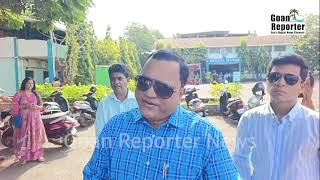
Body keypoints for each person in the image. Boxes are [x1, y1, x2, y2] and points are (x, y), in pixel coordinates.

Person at [83, 50, 240, 179]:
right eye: (144, 83)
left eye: (162, 88)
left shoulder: (207, 137)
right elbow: (93, 175)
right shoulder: (114, 128)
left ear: (181, 94)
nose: (149, 93)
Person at [234, 54, 319, 180]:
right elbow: (240, 158)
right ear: (267, 81)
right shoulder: (249, 119)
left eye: (290, 79)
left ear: (302, 85)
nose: (280, 83)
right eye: (275, 77)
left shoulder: (315, 123)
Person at [95, 64, 138, 137]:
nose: (116, 82)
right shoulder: (104, 104)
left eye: (119, 78)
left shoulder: (138, 101)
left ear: (127, 80)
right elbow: (100, 131)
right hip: (111, 146)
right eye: (113, 79)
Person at [12, 77, 48, 165]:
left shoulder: (35, 94)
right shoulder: (19, 94)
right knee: (25, 136)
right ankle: (24, 157)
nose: (30, 85)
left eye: (32, 83)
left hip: (35, 119)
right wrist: (25, 106)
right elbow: (14, 106)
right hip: (24, 119)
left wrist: (38, 107)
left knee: (36, 137)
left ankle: (38, 155)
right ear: (24, 83)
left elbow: (41, 106)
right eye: (28, 83)